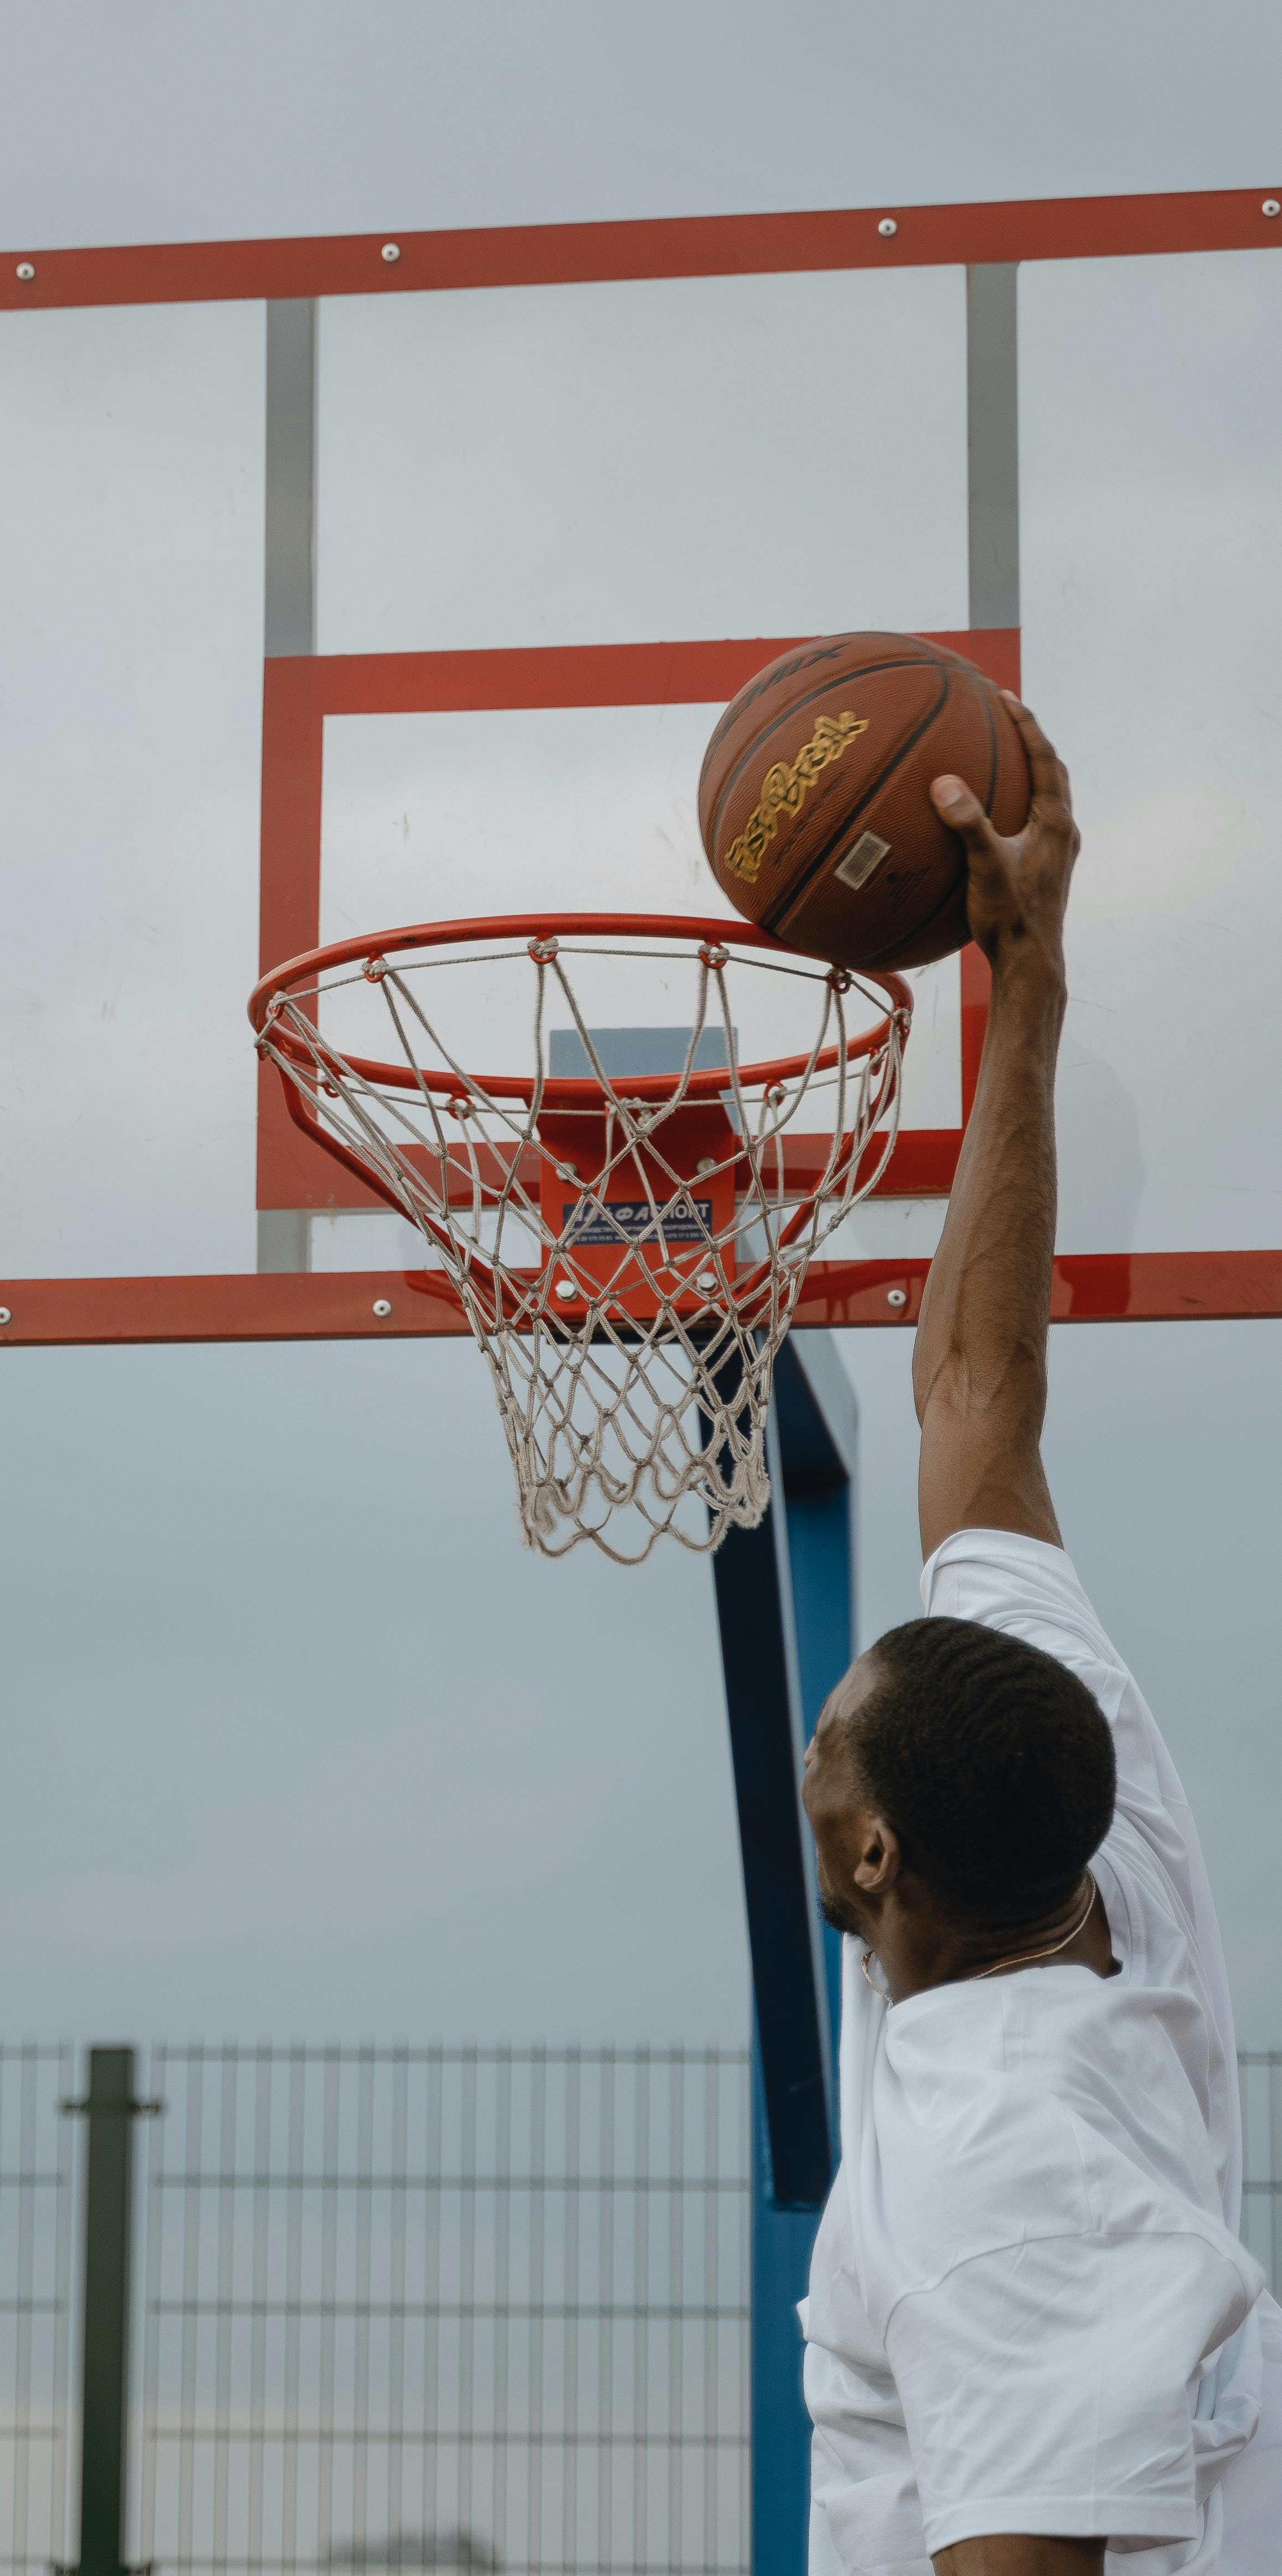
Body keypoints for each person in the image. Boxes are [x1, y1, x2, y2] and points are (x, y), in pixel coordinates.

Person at [797, 700, 1282, 2576]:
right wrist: (1025, 984)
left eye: (828, 1732)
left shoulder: (998, 2164)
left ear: (875, 1855)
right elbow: (978, 1388)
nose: (815, 1731)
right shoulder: (1084, 1803)